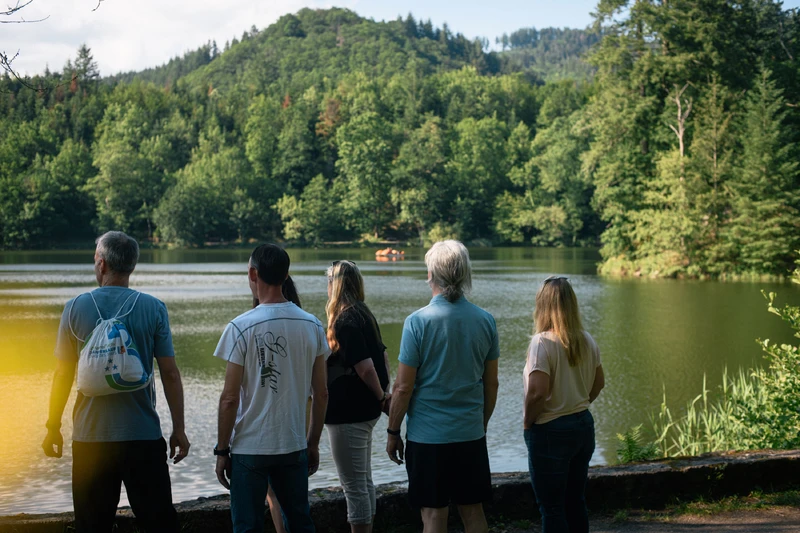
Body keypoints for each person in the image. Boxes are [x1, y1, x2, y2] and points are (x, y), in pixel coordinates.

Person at [41, 231, 190, 533]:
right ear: (132, 266)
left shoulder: (75, 307)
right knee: (159, 525)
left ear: (102, 264)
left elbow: (62, 375)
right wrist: (179, 428)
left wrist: (53, 426)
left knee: (91, 526)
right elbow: (170, 373)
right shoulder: (153, 307)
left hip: (90, 439)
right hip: (143, 436)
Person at [214, 243, 329, 533]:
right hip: (292, 444)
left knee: (246, 526)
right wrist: (312, 442)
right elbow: (321, 393)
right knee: (300, 522)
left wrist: (222, 449)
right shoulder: (312, 325)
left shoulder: (241, 327)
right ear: (286, 274)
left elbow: (229, 399)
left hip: (250, 448)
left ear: (253, 273)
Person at [386, 240, 500, 533]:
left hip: (428, 438)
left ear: (430, 274)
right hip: (469, 433)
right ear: (465, 274)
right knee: (473, 511)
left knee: (434, 515)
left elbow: (402, 388)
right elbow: (491, 383)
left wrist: (393, 431)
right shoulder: (486, 321)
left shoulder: (417, 323)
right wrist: (481, 424)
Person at [523, 276, 605, 533]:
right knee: (575, 500)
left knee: (553, 508)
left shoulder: (542, 342)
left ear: (542, 305)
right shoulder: (586, 339)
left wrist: (528, 423)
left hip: (550, 430)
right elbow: (599, 383)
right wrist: (577, 403)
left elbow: (537, 393)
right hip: (582, 425)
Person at [324, 260, 392, 533]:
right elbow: (383, 356)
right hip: (363, 410)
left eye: (329, 281)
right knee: (363, 481)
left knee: (353, 487)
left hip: (348, 412)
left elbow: (365, 367)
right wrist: (383, 394)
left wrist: (380, 397)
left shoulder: (345, 321)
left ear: (335, 285)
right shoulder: (363, 313)